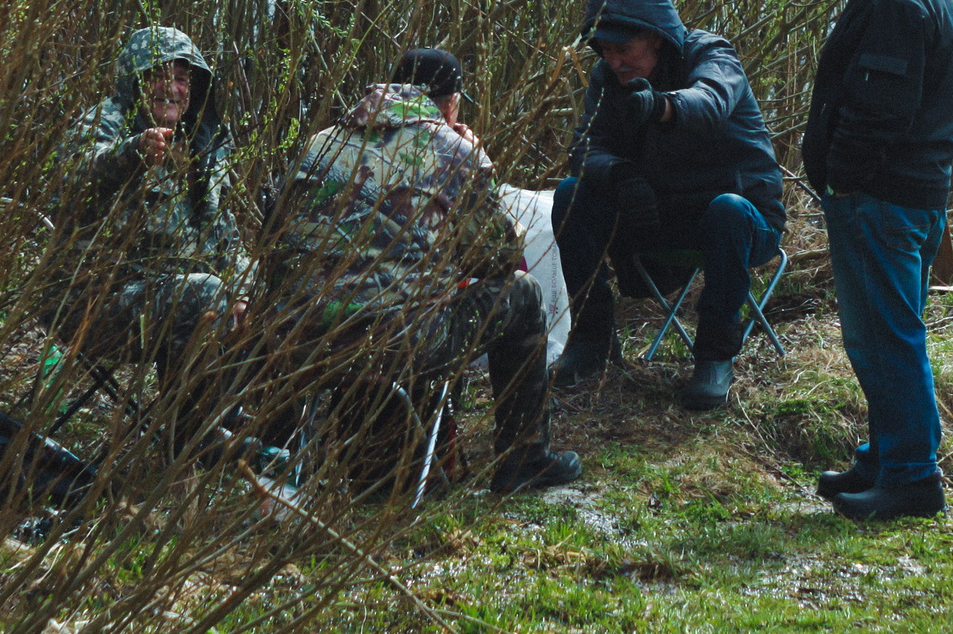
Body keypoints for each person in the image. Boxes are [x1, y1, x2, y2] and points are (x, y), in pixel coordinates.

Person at [257, 47, 582, 496]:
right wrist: (473, 156)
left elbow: (275, 243)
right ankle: (523, 460)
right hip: (400, 341)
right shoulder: (452, 151)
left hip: (305, 340)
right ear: (451, 103)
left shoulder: (319, 144)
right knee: (522, 293)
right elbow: (499, 256)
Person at [799, 0, 953, 523]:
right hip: (902, 198)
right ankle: (888, 456)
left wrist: (842, 176)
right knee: (877, 337)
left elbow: (877, 113)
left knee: (889, 337)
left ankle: (911, 477)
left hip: (882, 200)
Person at [551, 0, 786, 410]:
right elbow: (583, 148)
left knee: (729, 209)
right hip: (658, 216)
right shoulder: (608, 77)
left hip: (742, 222)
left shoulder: (711, 54)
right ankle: (592, 340)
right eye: (603, 49)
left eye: (624, 48)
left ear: (655, 35)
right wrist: (620, 176)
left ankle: (715, 355)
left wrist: (659, 106)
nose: (613, 60)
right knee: (569, 193)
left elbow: (711, 101)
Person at [42, 26, 251, 393]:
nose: (171, 88)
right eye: (157, 76)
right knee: (208, 294)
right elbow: (76, 178)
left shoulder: (201, 147)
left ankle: (245, 434)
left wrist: (249, 292)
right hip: (95, 304)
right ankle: (197, 433)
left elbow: (227, 239)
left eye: (183, 79)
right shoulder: (107, 120)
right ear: (134, 80)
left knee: (273, 299)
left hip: (178, 298)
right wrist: (132, 154)